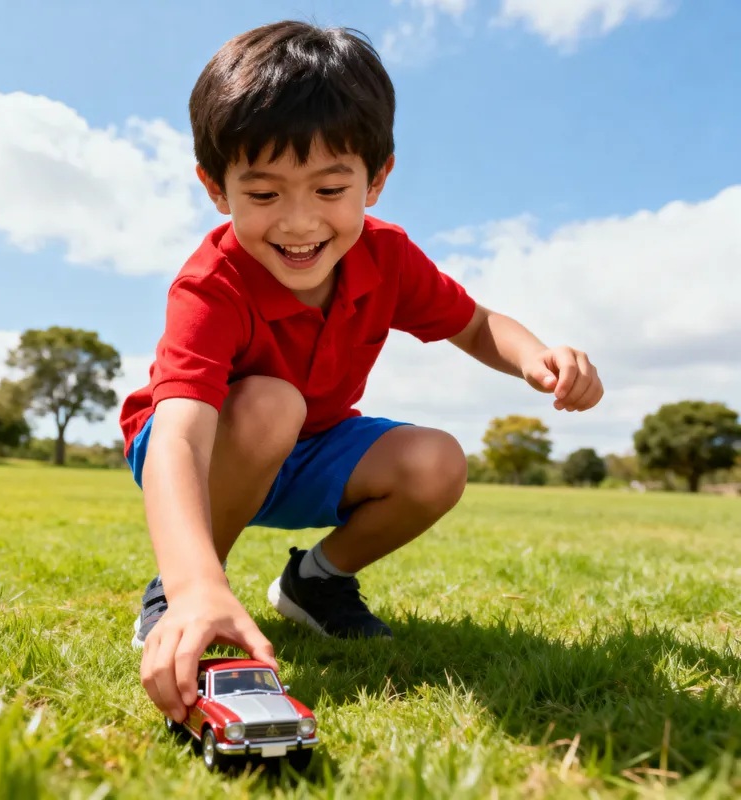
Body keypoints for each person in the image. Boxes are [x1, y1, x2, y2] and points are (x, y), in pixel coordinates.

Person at [119, 20, 604, 724]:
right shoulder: (210, 284)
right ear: (215, 188)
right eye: (263, 194)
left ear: (376, 179)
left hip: (312, 447)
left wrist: (536, 355)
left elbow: (473, 324)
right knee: (271, 404)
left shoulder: (388, 257)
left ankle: (316, 582)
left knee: (437, 460)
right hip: (208, 443)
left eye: (328, 189)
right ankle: (186, 588)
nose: (297, 221)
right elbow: (180, 438)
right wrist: (196, 582)